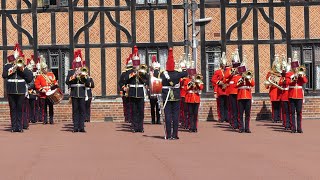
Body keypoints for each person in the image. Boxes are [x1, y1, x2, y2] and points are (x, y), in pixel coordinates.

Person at [2, 43, 33, 132]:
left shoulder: (24, 66)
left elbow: (30, 78)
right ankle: (13, 127)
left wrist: (22, 69)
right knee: (13, 109)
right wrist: (14, 68)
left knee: (20, 109)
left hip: (21, 90)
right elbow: (4, 75)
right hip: (11, 90)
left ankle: (19, 127)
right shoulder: (8, 66)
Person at [160, 48, 188, 140]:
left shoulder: (163, 74)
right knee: (176, 116)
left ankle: (168, 135)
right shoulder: (177, 74)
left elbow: (158, 80)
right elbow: (186, 73)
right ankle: (175, 135)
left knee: (167, 115)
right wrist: (183, 66)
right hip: (176, 96)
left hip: (166, 96)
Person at [124, 46, 149, 133]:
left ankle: (140, 127)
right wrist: (132, 74)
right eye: (135, 63)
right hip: (132, 92)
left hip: (140, 92)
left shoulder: (142, 71)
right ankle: (134, 127)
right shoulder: (129, 71)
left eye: (137, 63)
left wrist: (142, 73)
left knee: (141, 111)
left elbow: (147, 79)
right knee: (134, 111)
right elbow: (125, 80)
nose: (136, 65)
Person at [66, 50, 89, 132]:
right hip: (74, 93)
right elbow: (67, 82)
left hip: (82, 93)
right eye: (77, 63)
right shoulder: (71, 72)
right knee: (75, 110)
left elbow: (87, 82)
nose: (78, 65)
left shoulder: (84, 71)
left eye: (79, 63)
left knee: (82, 110)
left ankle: (82, 127)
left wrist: (84, 75)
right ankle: (75, 127)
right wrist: (74, 75)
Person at [287, 51, 308, 133]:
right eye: (295, 67)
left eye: (297, 67)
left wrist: (301, 75)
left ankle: (299, 128)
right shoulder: (289, 74)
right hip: (292, 95)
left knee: (299, 113)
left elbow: (305, 81)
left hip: (299, 95)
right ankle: (293, 128)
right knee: (292, 112)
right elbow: (289, 83)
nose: (296, 69)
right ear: (292, 67)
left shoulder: (301, 73)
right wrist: (294, 76)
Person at [34, 56, 58, 125]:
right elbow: (37, 85)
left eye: (46, 68)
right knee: (44, 108)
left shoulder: (51, 74)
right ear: (42, 69)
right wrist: (42, 89)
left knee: (51, 107)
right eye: (44, 68)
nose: (45, 69)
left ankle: (51, 120)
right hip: (43, 94)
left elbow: (54, 82)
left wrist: (54, 86)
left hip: (50, 93)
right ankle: (45, 120)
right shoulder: (39, 76)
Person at [235, 55, 255, 133]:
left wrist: (248, 79)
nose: (244, 72)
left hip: (248, 97)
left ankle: (247, 128)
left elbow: (253, 84)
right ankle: (241, 128)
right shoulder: (237, 77)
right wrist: (241, 80)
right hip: (240, 97)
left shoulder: (249, 77)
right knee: (240, 114)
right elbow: (235, 85)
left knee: (247, 114)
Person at [224, 50, 241, 129]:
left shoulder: (241, 69)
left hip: (240, 91)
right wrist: (232, 72)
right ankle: (235, 124)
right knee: (234, 109)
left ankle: (240, 123)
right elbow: (225, 79)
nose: (236, 66)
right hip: (232, 92)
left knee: (239, 109)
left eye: (237, 64)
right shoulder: (229, 70)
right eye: (235, 64)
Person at [212, 52, 229, 123]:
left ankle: (227, 117)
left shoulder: (229, 70)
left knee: (227, 105)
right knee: (221, 105)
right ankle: (221, 117)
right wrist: (219, 82)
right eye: (223, 64)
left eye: (225, 64)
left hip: (227, 90)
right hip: (220, 90)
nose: (224, 65)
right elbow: (213, 79)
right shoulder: (217, 71)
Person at [265, 54, 282, 123]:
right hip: (274, 91)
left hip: (280, 91)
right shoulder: (270, 74)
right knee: (274, 105)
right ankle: (275, 118)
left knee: (280, 105)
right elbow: (267, 83)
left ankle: (280, 117)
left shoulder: (281, 74)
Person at [119, 55, 133, 124]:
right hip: (125, 90)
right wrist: (123, 87)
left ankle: (130, 118)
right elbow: (120, 82)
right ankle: (127, 118)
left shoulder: (133, 73)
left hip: (132, 90)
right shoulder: (124, 73)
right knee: (126, 105)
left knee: (131, 105)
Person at [149, 55, 161, 124]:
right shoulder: (151, 73)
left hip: (157, 90)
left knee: (156, 106)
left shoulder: (158, 73)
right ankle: (154, 120)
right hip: (152, 91)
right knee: (154, 106)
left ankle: (156, 120)